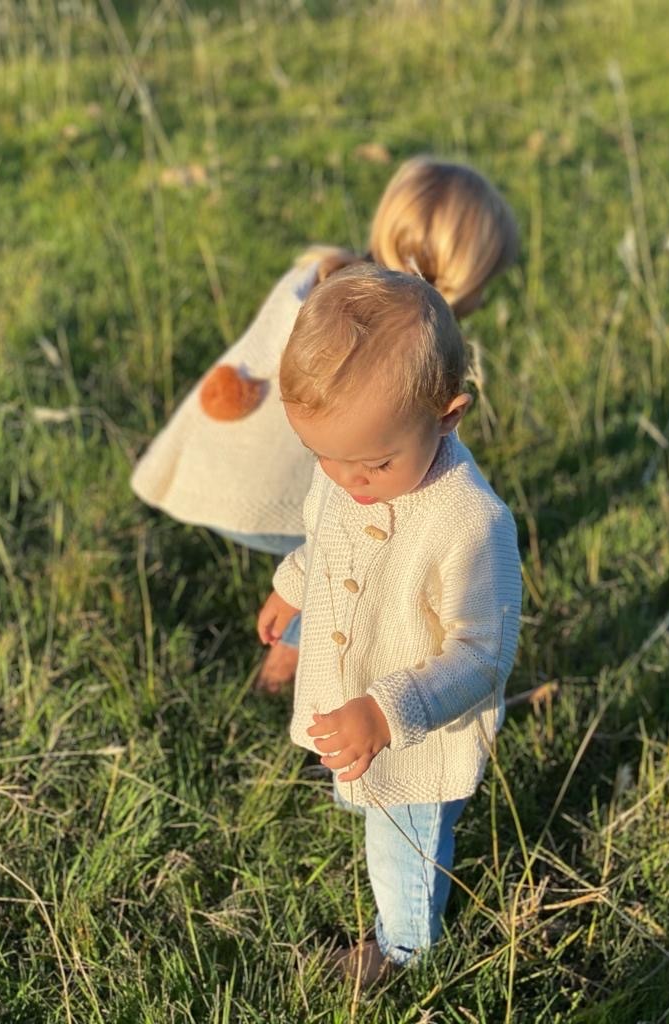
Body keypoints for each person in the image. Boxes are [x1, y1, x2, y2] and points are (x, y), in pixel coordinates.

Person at [130, 157, 519, 689]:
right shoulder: (412, 351)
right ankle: (290, 659)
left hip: (241, 469)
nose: (481, 300)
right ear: (453, 277)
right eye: (481, 286)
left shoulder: (328, 280)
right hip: (269, 490)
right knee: (339, 549)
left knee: (330, 538)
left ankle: (291, 651)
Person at [256, 264, 522, 981]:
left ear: (448, 415)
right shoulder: (351, 468)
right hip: (362, 704)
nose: (348, 481)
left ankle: (406, 951)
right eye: (324, 457)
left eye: (372, 461)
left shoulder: (469, 520)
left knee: (403, 839)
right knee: (375, 813)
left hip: (416, 731)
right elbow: (327, 538)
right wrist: (295, 586)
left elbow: (484, 652)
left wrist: (386, 711)